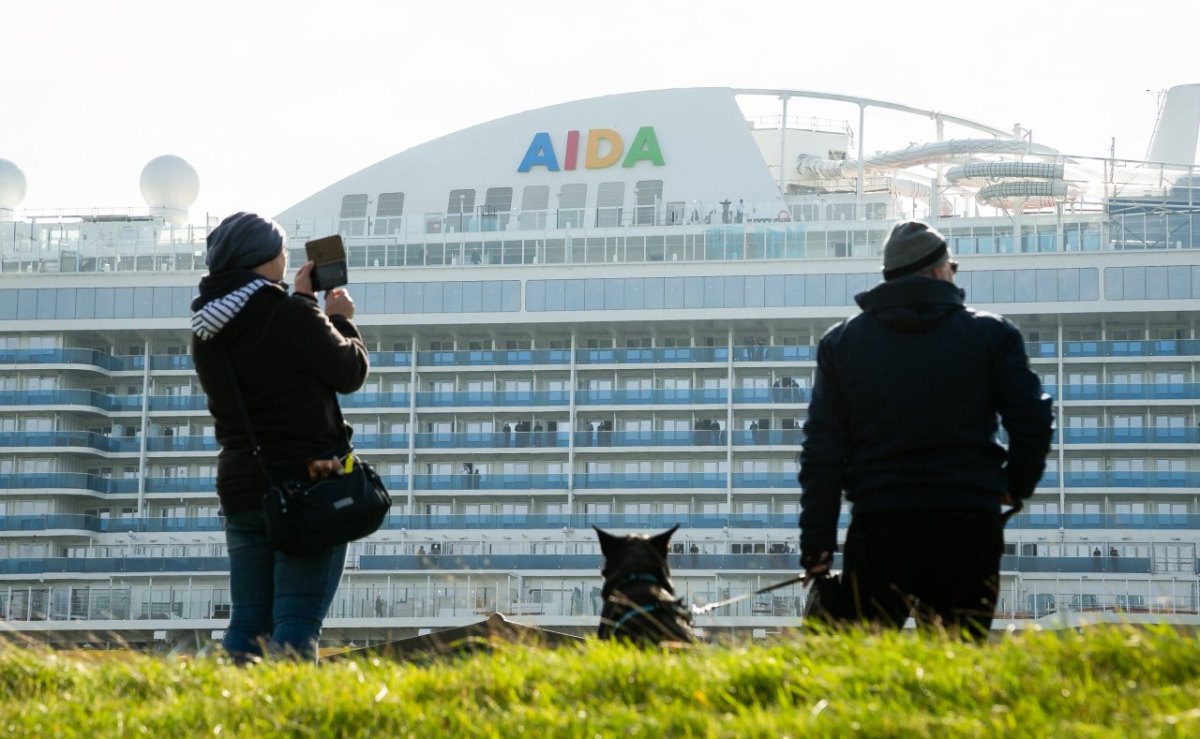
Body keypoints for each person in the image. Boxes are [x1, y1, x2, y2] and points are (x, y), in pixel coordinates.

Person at [799, 221, 1053, 641]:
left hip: (880, 524)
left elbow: (822, 452)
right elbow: (1033, 419)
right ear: (938, 271)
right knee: (957, 658)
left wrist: (817, 545)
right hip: (967, 522)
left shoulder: (841, 342)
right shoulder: (992, 334)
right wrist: (1014, 486)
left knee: (865, 665)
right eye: (953, 266)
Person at [191, 212, 368, 662]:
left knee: (248, 624)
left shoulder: (206, 332)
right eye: (282, 252)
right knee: (297, 622)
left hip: (242, 488)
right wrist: (338, 320)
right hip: (307, 485)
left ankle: (228, 719)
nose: (287, 260)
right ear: (266, 259)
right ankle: (284, 723)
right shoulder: (289, 313)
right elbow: (349, 372)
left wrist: (305, 308)